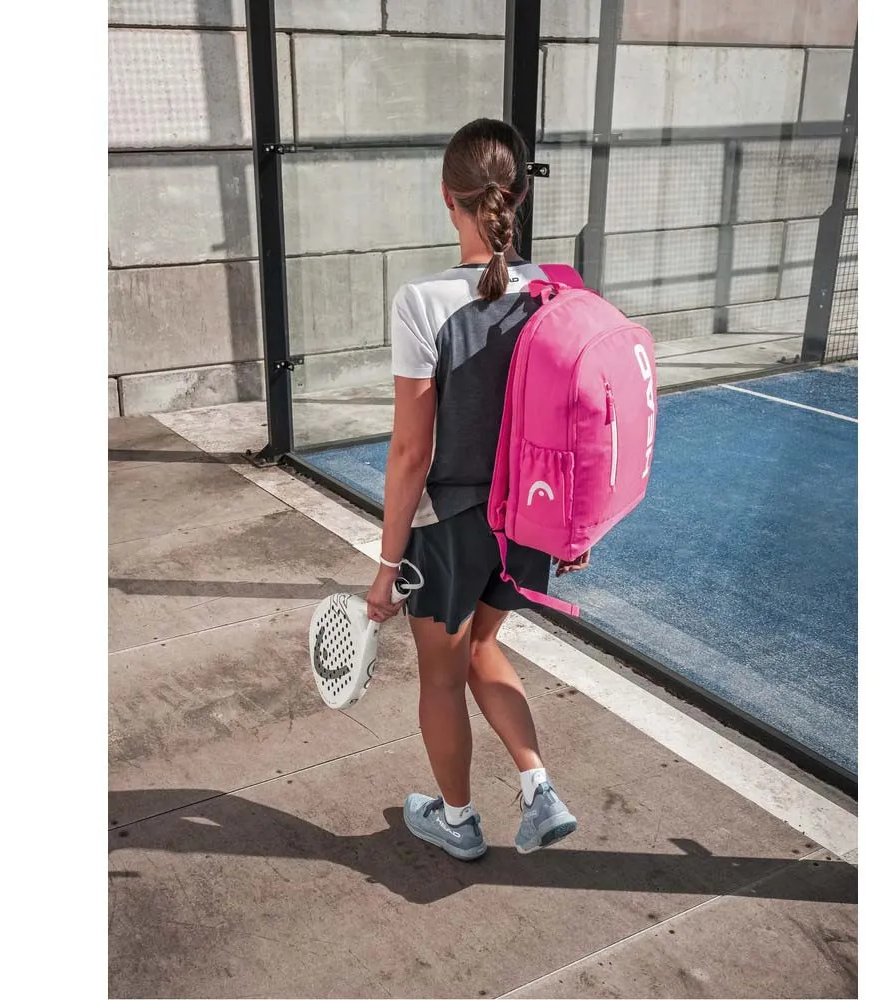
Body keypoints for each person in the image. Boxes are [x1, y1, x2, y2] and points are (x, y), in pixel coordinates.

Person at [363, 118, 588, 862]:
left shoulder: (422, 302)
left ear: (447, 196)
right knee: (482, 644)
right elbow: (583, 424)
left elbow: (410, 452)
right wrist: (574, 526)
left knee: (441, 676)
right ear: (518, 195)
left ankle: (457, 820)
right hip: (526, 523)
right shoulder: (557, 291)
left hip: (451, 527)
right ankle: (538, 789)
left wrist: (387, 565)